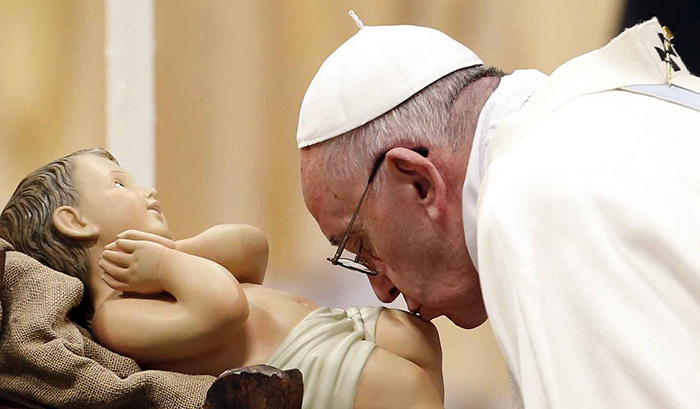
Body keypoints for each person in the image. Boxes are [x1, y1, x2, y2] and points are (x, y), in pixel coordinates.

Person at [298, 12, 700, 409]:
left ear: (419, 182)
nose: (382, 290)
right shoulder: (608, 120)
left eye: (361, 246)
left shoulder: (535, 193)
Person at [0, 148, 444, 409]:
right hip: (305, 365)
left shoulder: (172, 262)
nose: (147, 191)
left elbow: (253, 248)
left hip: (333, 326)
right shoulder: (116, 316)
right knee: (410, 392)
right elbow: (224, 309)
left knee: (419, 336)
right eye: (120, 185)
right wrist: (166, 267)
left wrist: (177, 252)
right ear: (75, 222)